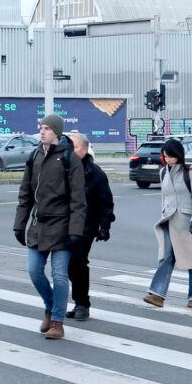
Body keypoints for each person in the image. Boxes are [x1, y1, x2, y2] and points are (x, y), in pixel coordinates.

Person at [13, 114, 85, 340]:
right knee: (34, 271)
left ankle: (57, 321)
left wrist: (75, 230)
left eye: (47, 128)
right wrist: (19, 225)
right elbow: (25, 194)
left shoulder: (69, 159)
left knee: (60, 275)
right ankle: (50, 305)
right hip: (38, 225)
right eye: (41, 127)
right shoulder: (34, 155)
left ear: (56, 132)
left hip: (62, 226)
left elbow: (78, 199)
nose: (42, 132)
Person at [144, 138, 192, 309]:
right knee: (166, 256)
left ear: (178, 155)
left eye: (170, 156)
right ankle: (157, 294)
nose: (167, 160)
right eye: (165, 157)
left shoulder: (190, 172)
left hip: (188, 222)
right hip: (168, 221)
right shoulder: (163, 172)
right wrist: (163, 215)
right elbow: (165, 198)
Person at [65, 132, 115, 321]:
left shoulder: (95, 174)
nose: (70, 151)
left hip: (85, 227)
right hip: (63, 225)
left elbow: (106, 202)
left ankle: (82, 304)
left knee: (77, 262)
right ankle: (74, 302)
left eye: (75, 147)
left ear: (85, 150)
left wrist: (105, 226)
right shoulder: (62, 168)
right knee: (65, 266)